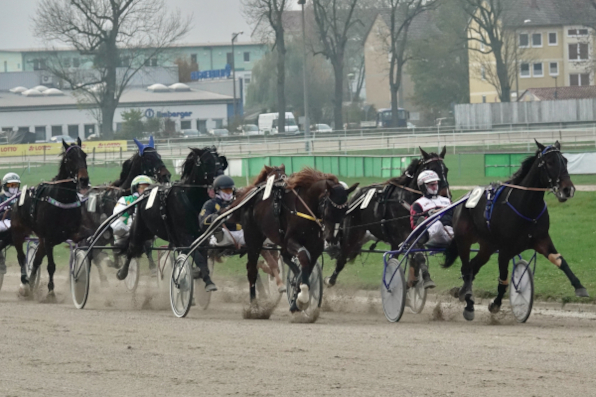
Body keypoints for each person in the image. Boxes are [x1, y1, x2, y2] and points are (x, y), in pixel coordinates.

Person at [200, 175, 286, 292]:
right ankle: (218, 234)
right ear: (217, 191)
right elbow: (202, 220)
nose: (228, 193)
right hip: (225, 235)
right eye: (225, 190)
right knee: (220, 234)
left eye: (230, 190)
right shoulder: (210, 204)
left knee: (260, 240)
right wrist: (215, 217)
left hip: (242, 233)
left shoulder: (239, 201)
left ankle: (270, 267)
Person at [409, 170, 453, 289]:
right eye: (431, 184)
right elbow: (414, 226)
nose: (434, 187)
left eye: (436, 184)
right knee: (438, 224)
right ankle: (422, 238)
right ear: (423, 186)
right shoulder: (418, 204)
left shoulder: (446, 201)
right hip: (431, 237)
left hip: (450, 234)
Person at [110, 175, 157, 273]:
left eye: (148, 188)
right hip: (124, 233)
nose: (145, 190)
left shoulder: (151, 203)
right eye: (143, 187)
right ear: (136, 188)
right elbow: (116, 220)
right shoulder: (125, 200)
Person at [0, 172, 21, 278]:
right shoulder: (1, 198)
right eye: (11, 185)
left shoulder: (22, 197)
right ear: (5, 186)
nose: (14, 188)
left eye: (16, 185)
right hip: (3, 223)